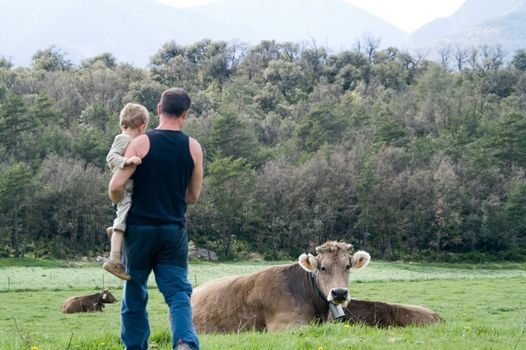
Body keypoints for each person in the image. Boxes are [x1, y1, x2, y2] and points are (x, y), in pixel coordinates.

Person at [109, 88, 203, 350]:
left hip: (138, 231)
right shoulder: (193, 147)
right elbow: (193, 196)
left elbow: (115, 187)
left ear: (159, 109)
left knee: (135, 293)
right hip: (172, 231)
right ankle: (184, 342)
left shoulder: (140, 142)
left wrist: (121, 201)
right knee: (178, 294)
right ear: (185, 114)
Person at [104, 103, 150, 281]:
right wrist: (128, 160)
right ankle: (114, 259)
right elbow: (111, 157)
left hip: (130, 188)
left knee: (123, 219)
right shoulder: (123, 139)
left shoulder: (128, 139)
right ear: (143, 125)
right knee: (122, 220)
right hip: (125, 189)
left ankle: (115, 233)